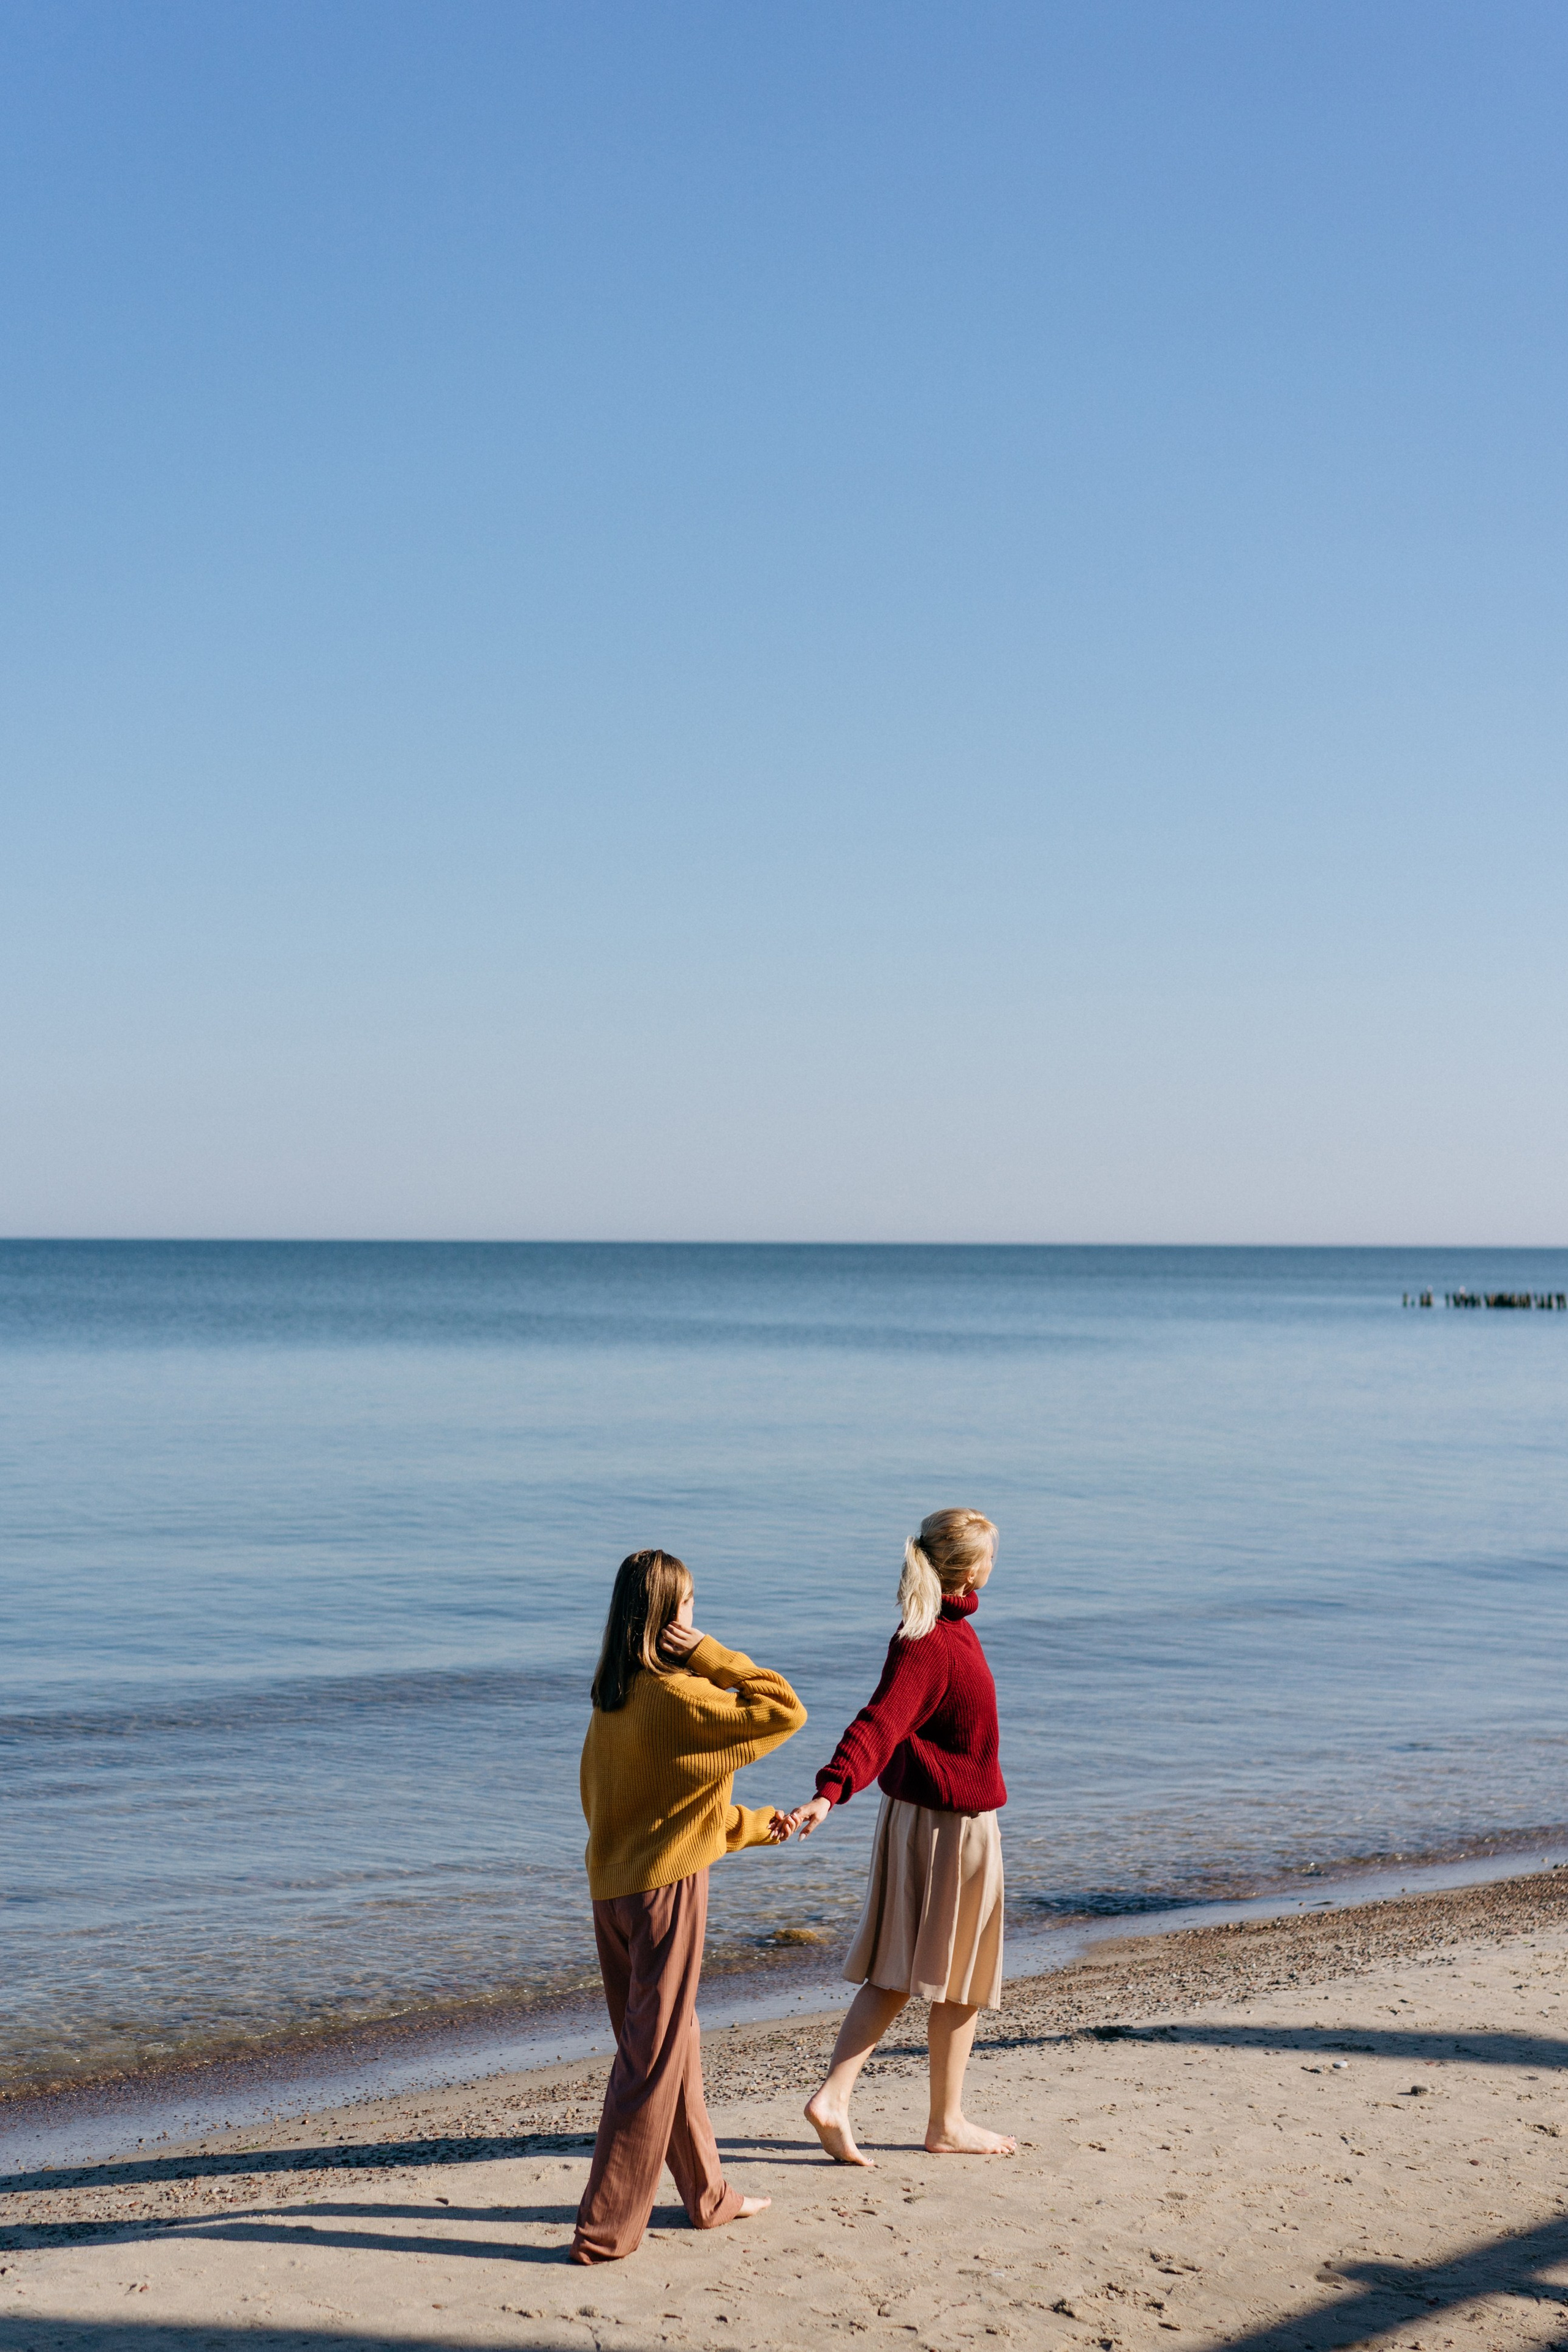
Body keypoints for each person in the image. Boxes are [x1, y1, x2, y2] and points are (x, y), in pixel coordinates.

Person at [572, 1547, 807, 2263]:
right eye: (691, 1605)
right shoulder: (679, 1696)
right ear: (671, 1618)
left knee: (673, 2045)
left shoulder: (610, 1703)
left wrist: (753, 1826)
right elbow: (783, 1709)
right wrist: (711, 1654)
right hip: (665, 1897)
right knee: (650, 2061)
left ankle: (708, 2195)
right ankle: (604, 2232)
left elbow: (659, 1813)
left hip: (612, 1893)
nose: (696, 1615)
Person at [783, 1507, 1013, 2168]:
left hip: (931, 1820)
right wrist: (830, 1791)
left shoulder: (941, 1630)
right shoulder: (929, 1642)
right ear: (969, 1569)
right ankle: (928, 2119)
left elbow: (886, 1722)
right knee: (956, 1978)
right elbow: (879, 1723)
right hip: (948, 1827)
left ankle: (910, 2112)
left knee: (911, 1973)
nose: (994, 1566)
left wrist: (833, 1791)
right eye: (990, 1556)